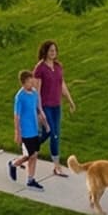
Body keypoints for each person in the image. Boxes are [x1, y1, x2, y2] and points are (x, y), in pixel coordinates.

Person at [35, 40, 73, 177]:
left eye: (55, 50)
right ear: (45, 52)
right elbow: (37, 90)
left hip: (56, 106)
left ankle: (30, 148)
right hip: (45, 106)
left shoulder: (57, 67)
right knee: (54, 134)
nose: (53, 53)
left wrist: (69, 100)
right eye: (51, 50)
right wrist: (39, 109)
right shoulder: (40, 68)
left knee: (49, 133)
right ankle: (56, 166)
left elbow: (62, 85)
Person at [10, 70, 46, 191]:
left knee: (32, 155)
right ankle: (30, 180)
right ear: (24, 83)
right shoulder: (20, 97)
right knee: (32, 155)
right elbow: (17, 116)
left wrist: (44, 122)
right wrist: (17, 132)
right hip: (26, 131)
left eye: (32, 81)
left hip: (35, 129)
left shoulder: (34, 93)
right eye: (30, 82)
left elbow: (37, 108)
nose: (32, 84)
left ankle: (14, 164)